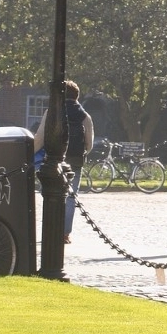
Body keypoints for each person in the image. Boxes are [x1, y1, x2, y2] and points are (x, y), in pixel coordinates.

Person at [33, 80, 94, 245]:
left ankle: (50, 229)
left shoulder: (52, 112)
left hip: (53, 160)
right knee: (70, 197)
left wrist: (29, 153)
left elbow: (39, 138)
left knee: (50, 195)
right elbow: (89, 144)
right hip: (75, 162)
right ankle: (65, 233)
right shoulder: (85, 116)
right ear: (77, 96)